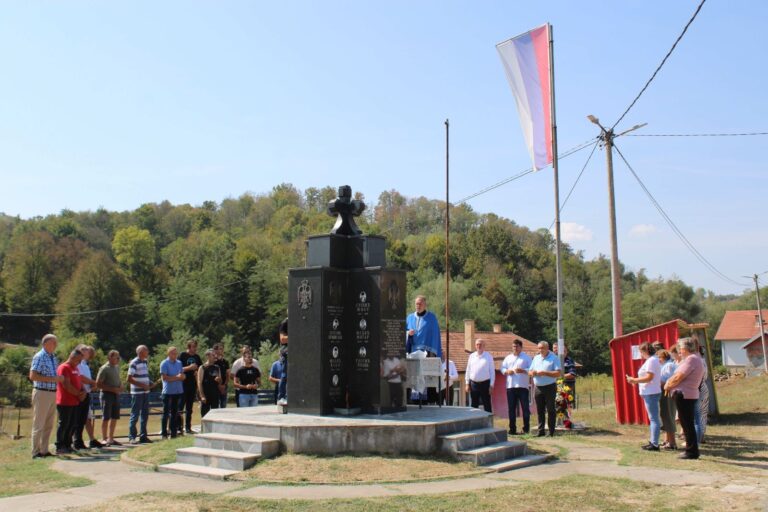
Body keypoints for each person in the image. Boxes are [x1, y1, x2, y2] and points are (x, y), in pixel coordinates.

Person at [664, 337, 706, 460]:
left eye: (680, 349)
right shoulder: (695, 359)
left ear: (685, 348)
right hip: (688, 394)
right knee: (687, 423)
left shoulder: (691, 360)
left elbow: (678, 377)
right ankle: (691, 449)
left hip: (684, 394)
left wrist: (668, 385)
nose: (679, 351)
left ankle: (691, 451)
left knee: (687, 424)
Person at [29, 334, 64, 458]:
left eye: (56, 343)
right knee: (39, 423)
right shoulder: (40, 356)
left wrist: (58, 379)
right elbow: (33, 376)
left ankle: (44, 450)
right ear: (45, 344)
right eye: (53, 343)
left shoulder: (53, 357)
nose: (55, 345)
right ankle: (35, 451)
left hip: (52, 392)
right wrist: (53, 379)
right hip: (42, 392)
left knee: (49, 424)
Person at [626, 342, 662, 451]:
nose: (640, 354)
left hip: (651, 393)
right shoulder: (652, 360)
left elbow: (649, 377)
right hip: (650, 392)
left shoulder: (651, 361)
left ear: (645, 351)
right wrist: (636, 381)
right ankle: (653, 442)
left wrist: (634, 380)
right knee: (653, 418)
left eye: (641, 352)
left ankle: (654, 444)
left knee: (654, 419)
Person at [56, 349, 86, 454]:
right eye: (78, 360)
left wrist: (83, 391)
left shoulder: (76, 368)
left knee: (72, 424)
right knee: (64, 424)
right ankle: (60, 446)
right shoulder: (64, 368)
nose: (79, 363)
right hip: (65, 401)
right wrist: (79, 394)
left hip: (75, 401)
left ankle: (68, 445)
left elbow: (79, 381)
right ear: (72, 357)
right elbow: (67, 385)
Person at [529, 341, 561, 437]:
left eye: (542, 348)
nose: (540, 350)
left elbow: (558, 373)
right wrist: (532, 373)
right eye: (539, 348)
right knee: (540, 410)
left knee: (550, 409)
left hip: (550, 387)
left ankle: (551, 431)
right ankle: (541, 431)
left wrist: (545, 373)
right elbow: (529, 371)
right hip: (538, 387)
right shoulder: (536, 358)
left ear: (547, 348)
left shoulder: (554, 358)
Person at [73, 345, 102, 449]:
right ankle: (77, 441)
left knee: (87, 418)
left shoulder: (85, 364)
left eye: (88, 351)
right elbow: (80, 377)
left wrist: (92, 385)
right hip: (80, 394)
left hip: (87, 393)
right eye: (85, 350)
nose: (88, 352)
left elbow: (86, 379)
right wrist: (93, 382)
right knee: (79, 419)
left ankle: (90, 440)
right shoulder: (78, 363)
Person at [500, 339, 532, 435]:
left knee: (525, 408)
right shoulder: (508, 358)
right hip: (511, 386)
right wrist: (506, 371)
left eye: (517, 346)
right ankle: (512, 429)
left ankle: (526, 429)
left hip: (523, 386)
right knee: (511, 409)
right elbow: (502, 368)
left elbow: (532, 369)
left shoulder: (526, 358)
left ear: (521, 347)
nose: (515, 348)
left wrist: (523, 370)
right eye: (514, 346)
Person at [96, 350, 123, 446]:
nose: (118, 359)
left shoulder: (117, 368)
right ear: (110, 357)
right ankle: (104, 438)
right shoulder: (104, 368)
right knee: (106, 417)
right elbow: (98, 384)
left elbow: (118, 380)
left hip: (116, 395)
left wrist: (120, 387)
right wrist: (112, 389)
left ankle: (111, 438)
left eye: (118, 357)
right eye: (116, 357)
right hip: (106, 395)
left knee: (114, 417)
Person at [128, 345, 153, 444]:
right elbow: (129, 379)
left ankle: (143, 436)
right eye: (146, 350)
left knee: (145, 415)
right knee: (135, 414)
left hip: (145, 392)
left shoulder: (144, 362)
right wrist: (142, 385)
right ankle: (132, 437)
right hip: (137, 393)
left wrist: (149, 382)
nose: (148, 352)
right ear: (141, 352)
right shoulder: (134, 363)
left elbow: (143, 375)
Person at [160, 346, 185, 439]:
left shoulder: (179, 363)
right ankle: (164, 434)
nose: (175, 355)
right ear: (169, 354)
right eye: (173, 353)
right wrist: (177, 377)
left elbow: (182, 375)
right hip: (168, 392)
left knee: (175, 413)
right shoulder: (164, 363)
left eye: (176, 353)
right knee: (166, 413)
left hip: (178, 391)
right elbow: (165, 378)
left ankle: (174, 434)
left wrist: (182, 377)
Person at [178, 339, 202, 434]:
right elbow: (178, 369)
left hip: (192, 385)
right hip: (182, 385)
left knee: (189, 408)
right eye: (193, 347)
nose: (195, 349)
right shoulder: (182, 355)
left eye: (196, 346)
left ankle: (188, 427)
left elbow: (200, 368)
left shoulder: (197, 357)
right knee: (180, 407)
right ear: (189, 347)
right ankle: (179, 427)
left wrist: (197, 372)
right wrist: (189, 368)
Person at [465, 339, 495, 413]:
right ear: (475, 346)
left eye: (480, 344)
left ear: (484, 346)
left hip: (485, 384)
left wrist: (491, 385)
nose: (479, 346)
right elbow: (468, 370)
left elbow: (492, 372)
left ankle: (488, 423)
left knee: (487, 404)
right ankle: (473, 422)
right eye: (477, 344)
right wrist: (467, 383)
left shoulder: (488, 356)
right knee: (474, 404)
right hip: (473, 384)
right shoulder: (471, 356)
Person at [657, 348, 677, 450]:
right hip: (664, 392)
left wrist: (659, 382)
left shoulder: (669, 366)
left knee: (668, 416)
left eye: (659, 357)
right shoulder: (664, 365)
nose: (658, 360)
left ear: (664, 357)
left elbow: (670, 380)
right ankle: (668, 440)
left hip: (667, 393)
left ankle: (672, 442)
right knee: (665, 416)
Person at [197, 349, 222, 417]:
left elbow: (220, 381)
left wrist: (219, 380)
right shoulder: (202, 367)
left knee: (215, 415)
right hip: (206, 395)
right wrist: (202, 396)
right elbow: (199, 382)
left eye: (215, 355)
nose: (215, 356)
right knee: (205, 415)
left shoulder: (217, 367)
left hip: (215, 394)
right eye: (213, 355)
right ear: (208, 356)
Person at [213, 343, 230, 408]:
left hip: (224, 386)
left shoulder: (225, 362)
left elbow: (228, 374)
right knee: (215, 406)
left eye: (222, 349)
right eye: (220, 349)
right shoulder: (213, 362)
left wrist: (224, 385)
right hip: (215, 386)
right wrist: (219, 385)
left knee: (223, 405)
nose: (222, 350)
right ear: (215, 350)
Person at [277, 318, 288, 406]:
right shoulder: (285, 322)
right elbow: (283, 339)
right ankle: (281, 397)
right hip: (287, 352)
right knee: (285, 375)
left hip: (299, 351)